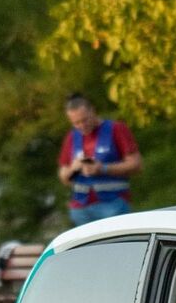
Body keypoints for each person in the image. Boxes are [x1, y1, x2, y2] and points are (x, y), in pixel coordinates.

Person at [58, 95, 142, 227]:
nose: (81, 126)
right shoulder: (72, 137)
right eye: (76, 123)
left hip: (113, 205)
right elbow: (64, 177)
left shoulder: (116, 129)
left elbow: (136, 165)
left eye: (84, 120)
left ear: (92, 111)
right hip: (81, 208)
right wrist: (74, 168)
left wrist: (102, 168)